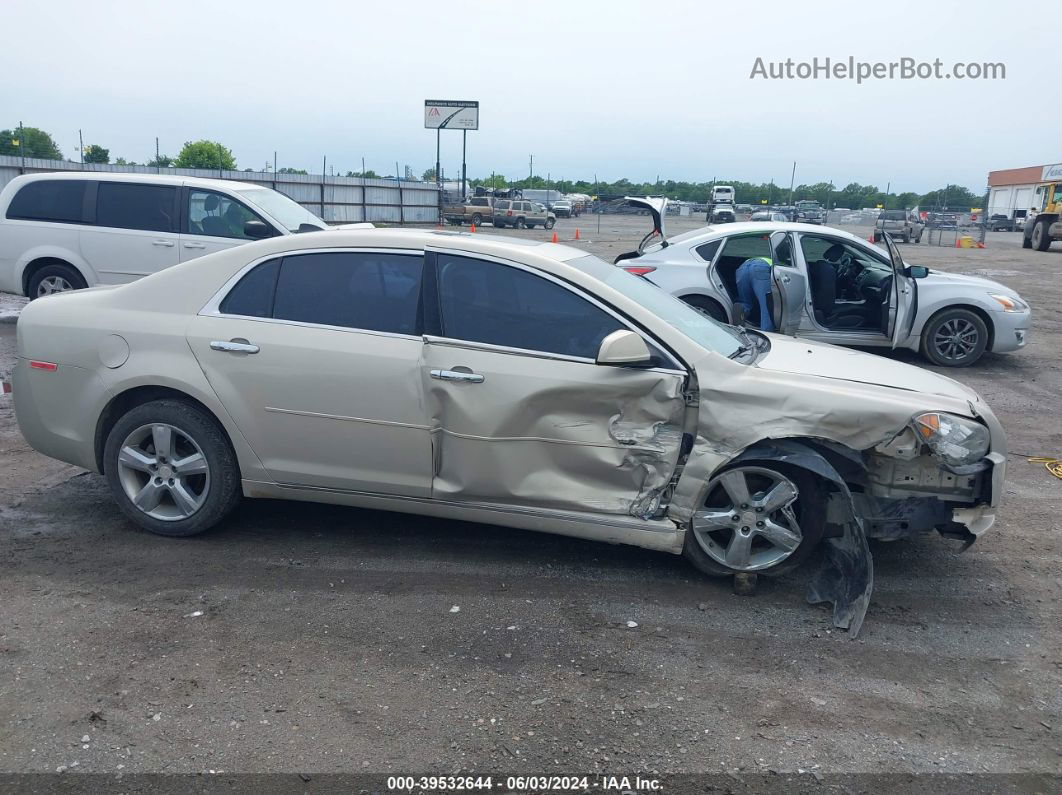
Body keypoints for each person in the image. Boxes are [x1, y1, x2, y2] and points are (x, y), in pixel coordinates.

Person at [735, 256, 775, 332]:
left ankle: (738, 327)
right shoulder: (780, 264)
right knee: (766, 306)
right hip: (760, 268)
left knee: (745, 302)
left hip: (742, 267)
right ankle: (767, 335)